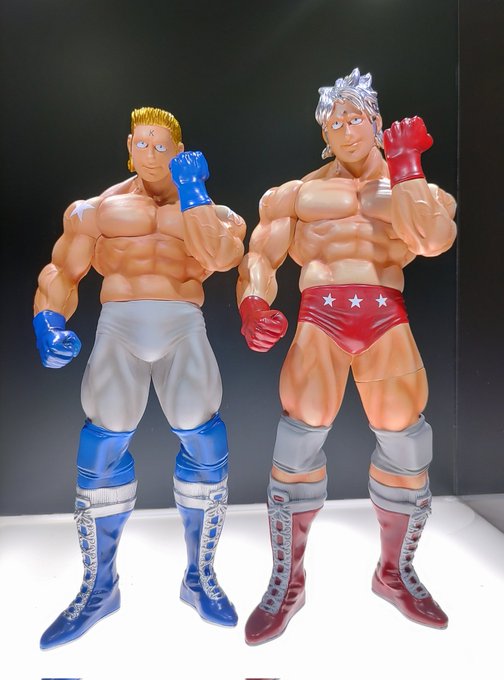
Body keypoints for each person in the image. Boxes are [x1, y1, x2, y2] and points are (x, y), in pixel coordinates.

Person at [237, 68, 457, 645]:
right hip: (320, 315)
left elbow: (432, 239)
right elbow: (259, 253)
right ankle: (288, 581)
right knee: (297, 440)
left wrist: (406, 164)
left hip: (385, 314)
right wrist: (253, 303)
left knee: (405, 441)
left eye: (355, 117)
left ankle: (394, 573)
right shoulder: (295, 194)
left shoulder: (412, 186)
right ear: (324, 135)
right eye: (335, 122)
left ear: (377, 122)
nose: (346, 129)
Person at [33, 106, 246, 649]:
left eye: (162, 146)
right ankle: (99, 587)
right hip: (120, 324)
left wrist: (193, 191)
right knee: (102, 440)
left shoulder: (213, 211)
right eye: (143, 144)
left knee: (204, 436)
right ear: (130, 147)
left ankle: (200, 577)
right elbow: (63, 270)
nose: (151, 155)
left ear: (180, 152)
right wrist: (48, 318)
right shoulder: (96, 210)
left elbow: (222, 256)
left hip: (182, 321)